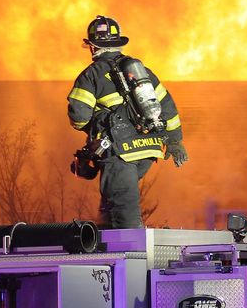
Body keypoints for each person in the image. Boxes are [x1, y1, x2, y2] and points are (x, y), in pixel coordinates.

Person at [67, 15, 188, 228]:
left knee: (124, 214)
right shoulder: (142, 72)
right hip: (148, 150)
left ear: (93, 47)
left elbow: (78, 117)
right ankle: (104, 240)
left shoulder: (92, 74)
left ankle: (136, 256)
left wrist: (96, 127)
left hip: (119, 153)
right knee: (112, 204)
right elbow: (167, 106)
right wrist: (175, 141)